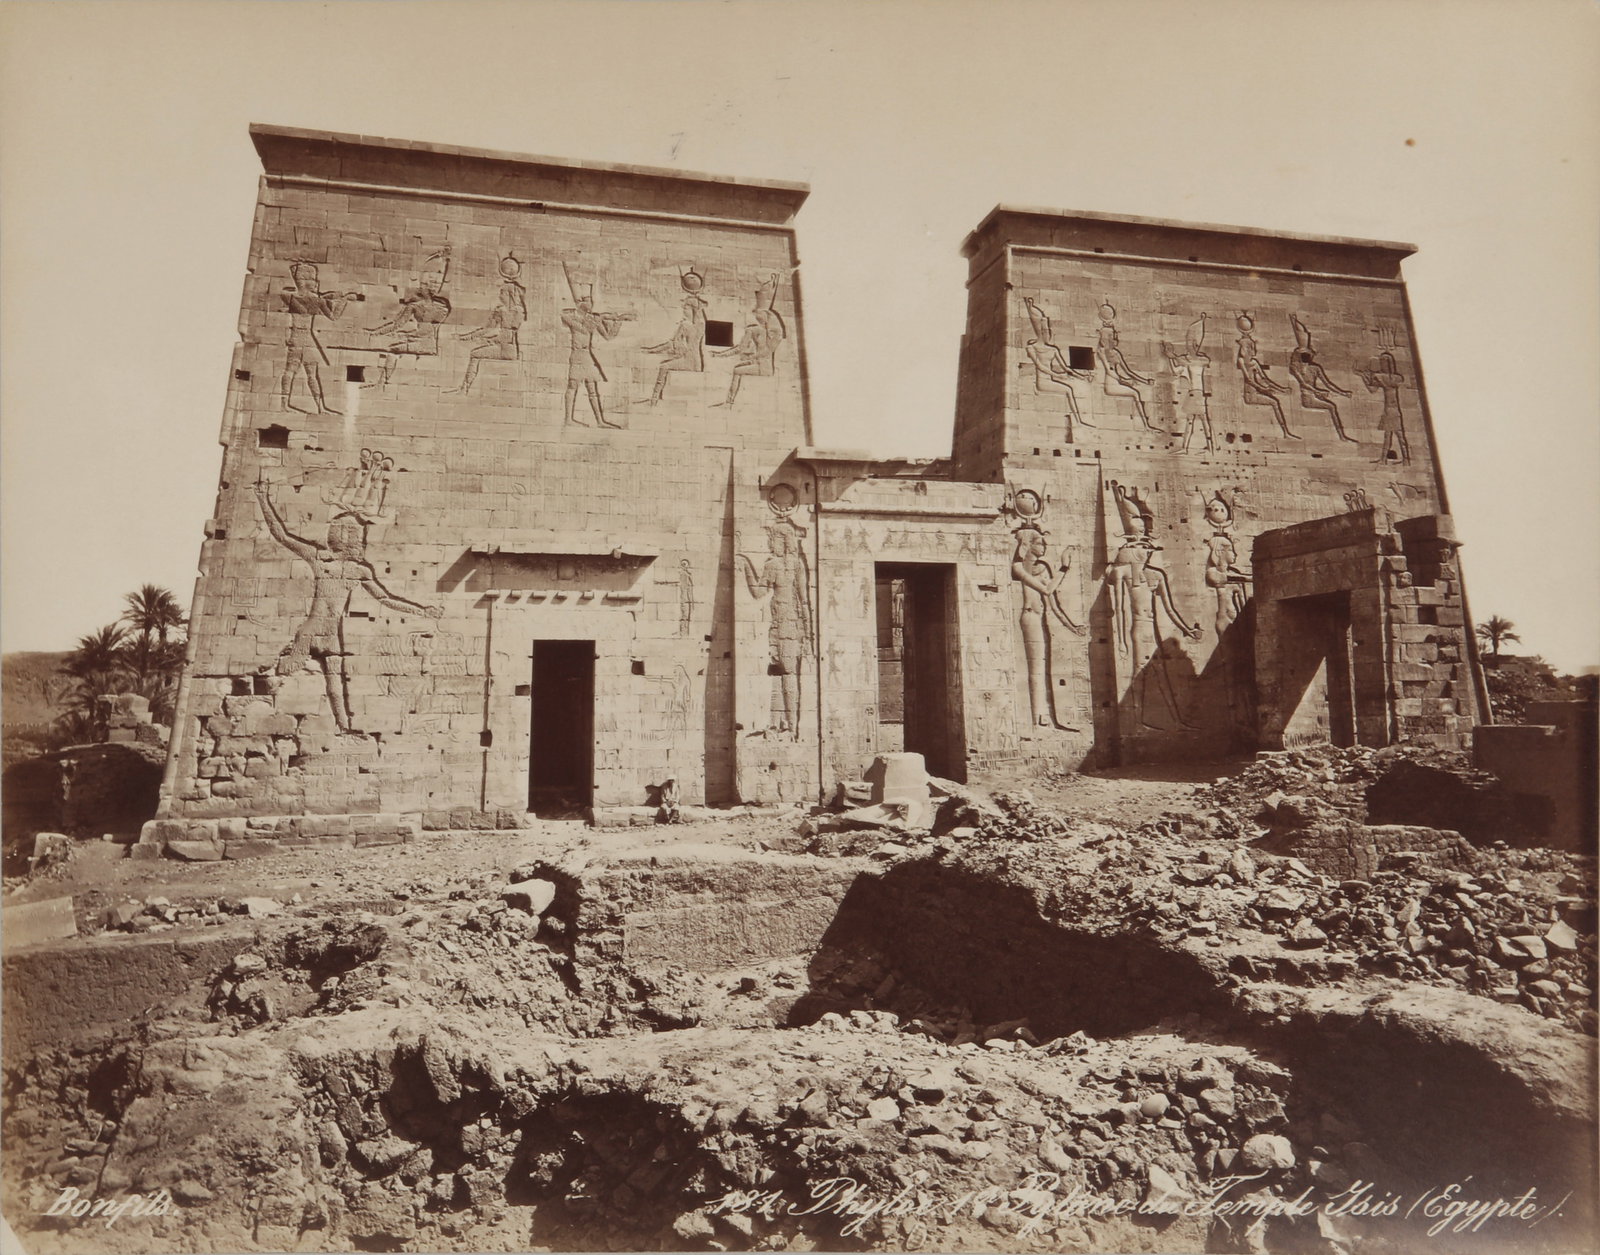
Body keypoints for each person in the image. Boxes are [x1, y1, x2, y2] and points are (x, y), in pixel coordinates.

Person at [256, 477, 442, 735]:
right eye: (350, 533)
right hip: (318, 629)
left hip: (325, 631)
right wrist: (263, 499)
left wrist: (421, 611)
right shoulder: (334, 563)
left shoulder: (345, 566)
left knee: (333, 680)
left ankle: (342, 725)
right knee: (298, 673)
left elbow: (386, 599)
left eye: (355, 534)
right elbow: (281, 535)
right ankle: (263, 701)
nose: (354, 538)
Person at [739, 524, 813, 739]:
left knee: (787, 672)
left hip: (788, 623)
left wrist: (745, 566)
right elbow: (804, 601)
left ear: (781, 541)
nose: (771, 544)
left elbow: (758, 592)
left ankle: (791, 726)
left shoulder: (785, 565)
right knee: (779, 671)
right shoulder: (784, 565)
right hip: (782, 622)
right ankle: (778, 722)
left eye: (772, 540)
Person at [1011, 526, 1086, 729]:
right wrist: (1063, 567)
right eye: (1039, 542)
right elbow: (1046, 588)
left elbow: (1053, 604)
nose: (1044, 546)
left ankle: (1049, 718)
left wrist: (1072, 626)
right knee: (1036, 670)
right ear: (1027, 544)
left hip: (1040, 619)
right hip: (1029, 619)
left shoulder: (1042, 568)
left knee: (1044, 669)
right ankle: (1039, 720)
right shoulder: (1019, 568)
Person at [279, 262, 355, 414]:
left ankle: (317, 407)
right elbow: (333, 316)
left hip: (299, 338)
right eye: (314, 280)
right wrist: (344, 300)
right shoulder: (315, 300)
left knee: (303, 373)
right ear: (306, 282)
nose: (317, 283)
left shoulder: (292, 297)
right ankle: (290, 405)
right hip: (303, 339)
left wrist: (326, 296)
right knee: (297, 372)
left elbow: (292, 295)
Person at [449, 254, 526, 395]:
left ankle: (464, 388)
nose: (500, 295)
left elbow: (486, 330)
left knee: (475, 354)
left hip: (506, 351)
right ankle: (463, 388)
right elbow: (506, 333)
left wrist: (464, 337)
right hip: (508, 347)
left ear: (507, 295)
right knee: (480, 349)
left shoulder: (502, 310)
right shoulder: (520, 311)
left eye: (501, 292)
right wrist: (490, 339)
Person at [562, 289, 627, 426]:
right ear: (579, 303)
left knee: (592, 388)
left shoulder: (592, 319)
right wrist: (597, 318)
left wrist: (617, 322)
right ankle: (568, 419)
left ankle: (599, 421)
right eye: (587, 300)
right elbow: (581, 328)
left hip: (587, 355)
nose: (591, 303)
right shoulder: (573, 317)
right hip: (577, 354)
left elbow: (608, 336)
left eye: (591, 300)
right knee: (572, 385)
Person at [643, 269, 708, 404]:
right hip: (697, 362)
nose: (683, 310)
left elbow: (670, 344)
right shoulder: (700, 325)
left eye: (685, 308)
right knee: (665, 365)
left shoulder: (686, 326)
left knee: (663, 367)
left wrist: (652, 350)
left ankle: (654, 398)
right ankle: (655, 398)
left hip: (688, 361)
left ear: (690, 309)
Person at [1288, 314, 1355, 441]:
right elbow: (1303, 384)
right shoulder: (1295, 367)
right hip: (1307, 398)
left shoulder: (1315, 368)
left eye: (1308, 354)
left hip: (1315, 395)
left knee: (1332, 406)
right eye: (1305, 354)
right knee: (1332, 407)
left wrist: (1342, 393)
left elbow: (1327, 383)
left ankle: (1342, 436)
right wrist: (1318, 392)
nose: (1307, 357)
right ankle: (1342, 436)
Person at [1234, 312, 1297, 438]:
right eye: (1250, 348)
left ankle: (1286, 432)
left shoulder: (1254, 362)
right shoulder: (1242, 361)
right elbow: (1249, 380)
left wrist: (1280, 389)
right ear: (1244, 349)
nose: (1253, 350)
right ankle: (1285, 433)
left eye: (1252, 348)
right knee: (1274, 403)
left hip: (1257, 390)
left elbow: (1264, 379)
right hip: (1250, 395)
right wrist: (1265, 389)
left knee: (1275, 399)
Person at [1359, 350, 1411, 464]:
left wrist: (1370, 377)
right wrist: (1365, 378)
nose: (1382, 365)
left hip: (1393, 410)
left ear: (1389, 364)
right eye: (1381, 362)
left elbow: (1385, 384)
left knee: (1398, 435)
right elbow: (1372, 390)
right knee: (1389, 435)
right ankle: (1385, 459)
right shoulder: (1385, 377)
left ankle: (1405, 459)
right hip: (1388, 410)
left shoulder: (1394, 378)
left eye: (1384, 362)